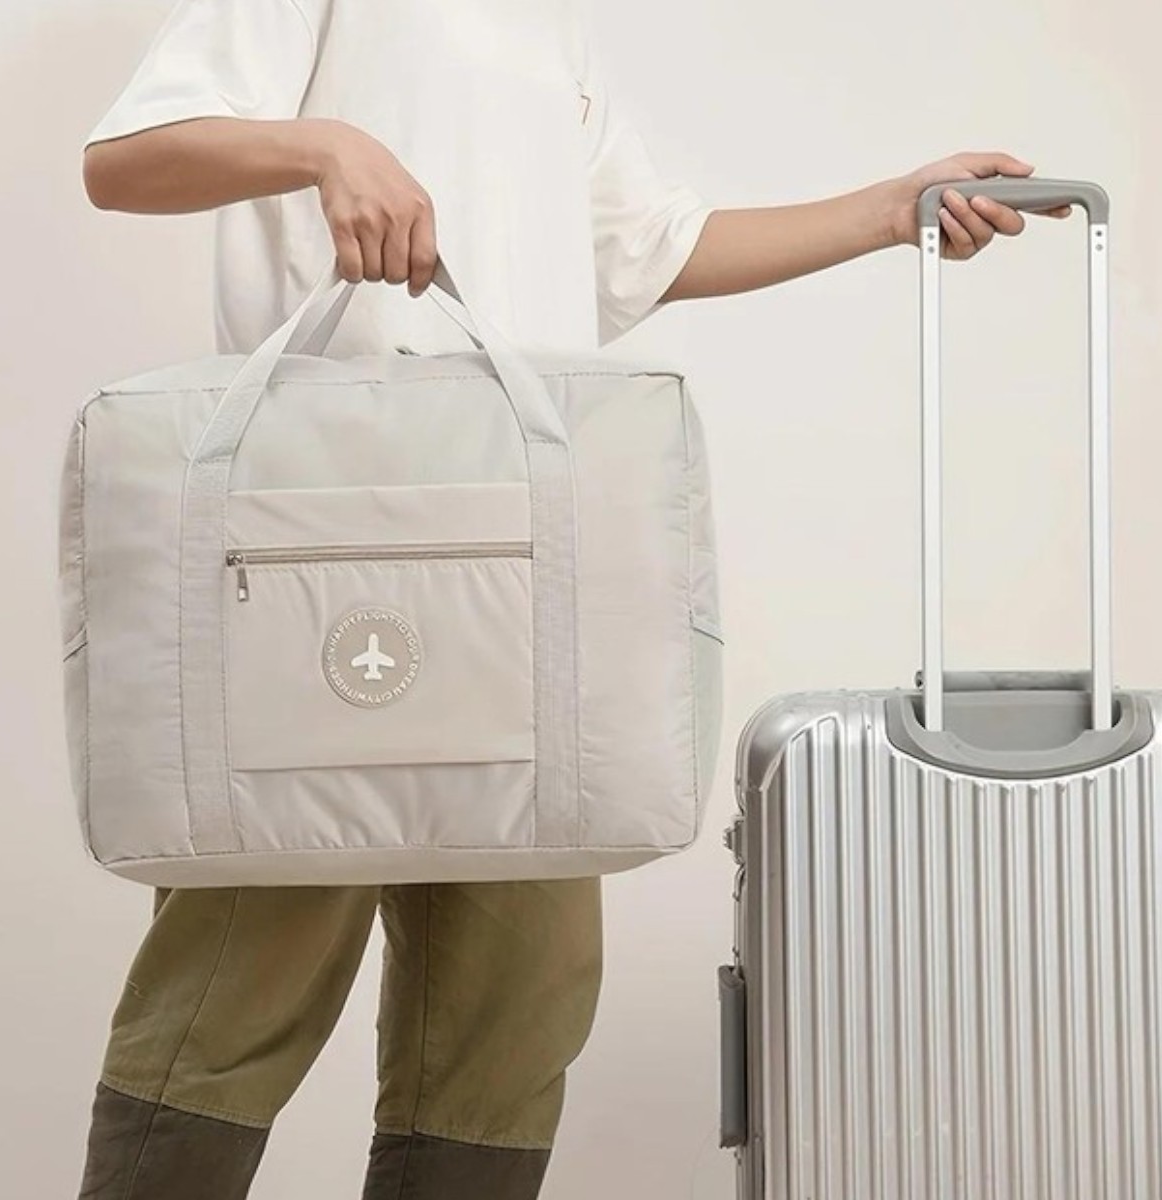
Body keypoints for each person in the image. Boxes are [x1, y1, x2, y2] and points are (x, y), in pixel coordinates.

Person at [75, 2, 1068, 1197]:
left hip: (528, 554)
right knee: (240, 974)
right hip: (329, 541)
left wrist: (890, 208)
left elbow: (650, 247)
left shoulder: (554, 32)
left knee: (514, 1010)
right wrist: (326, 146)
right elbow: (123, 160)